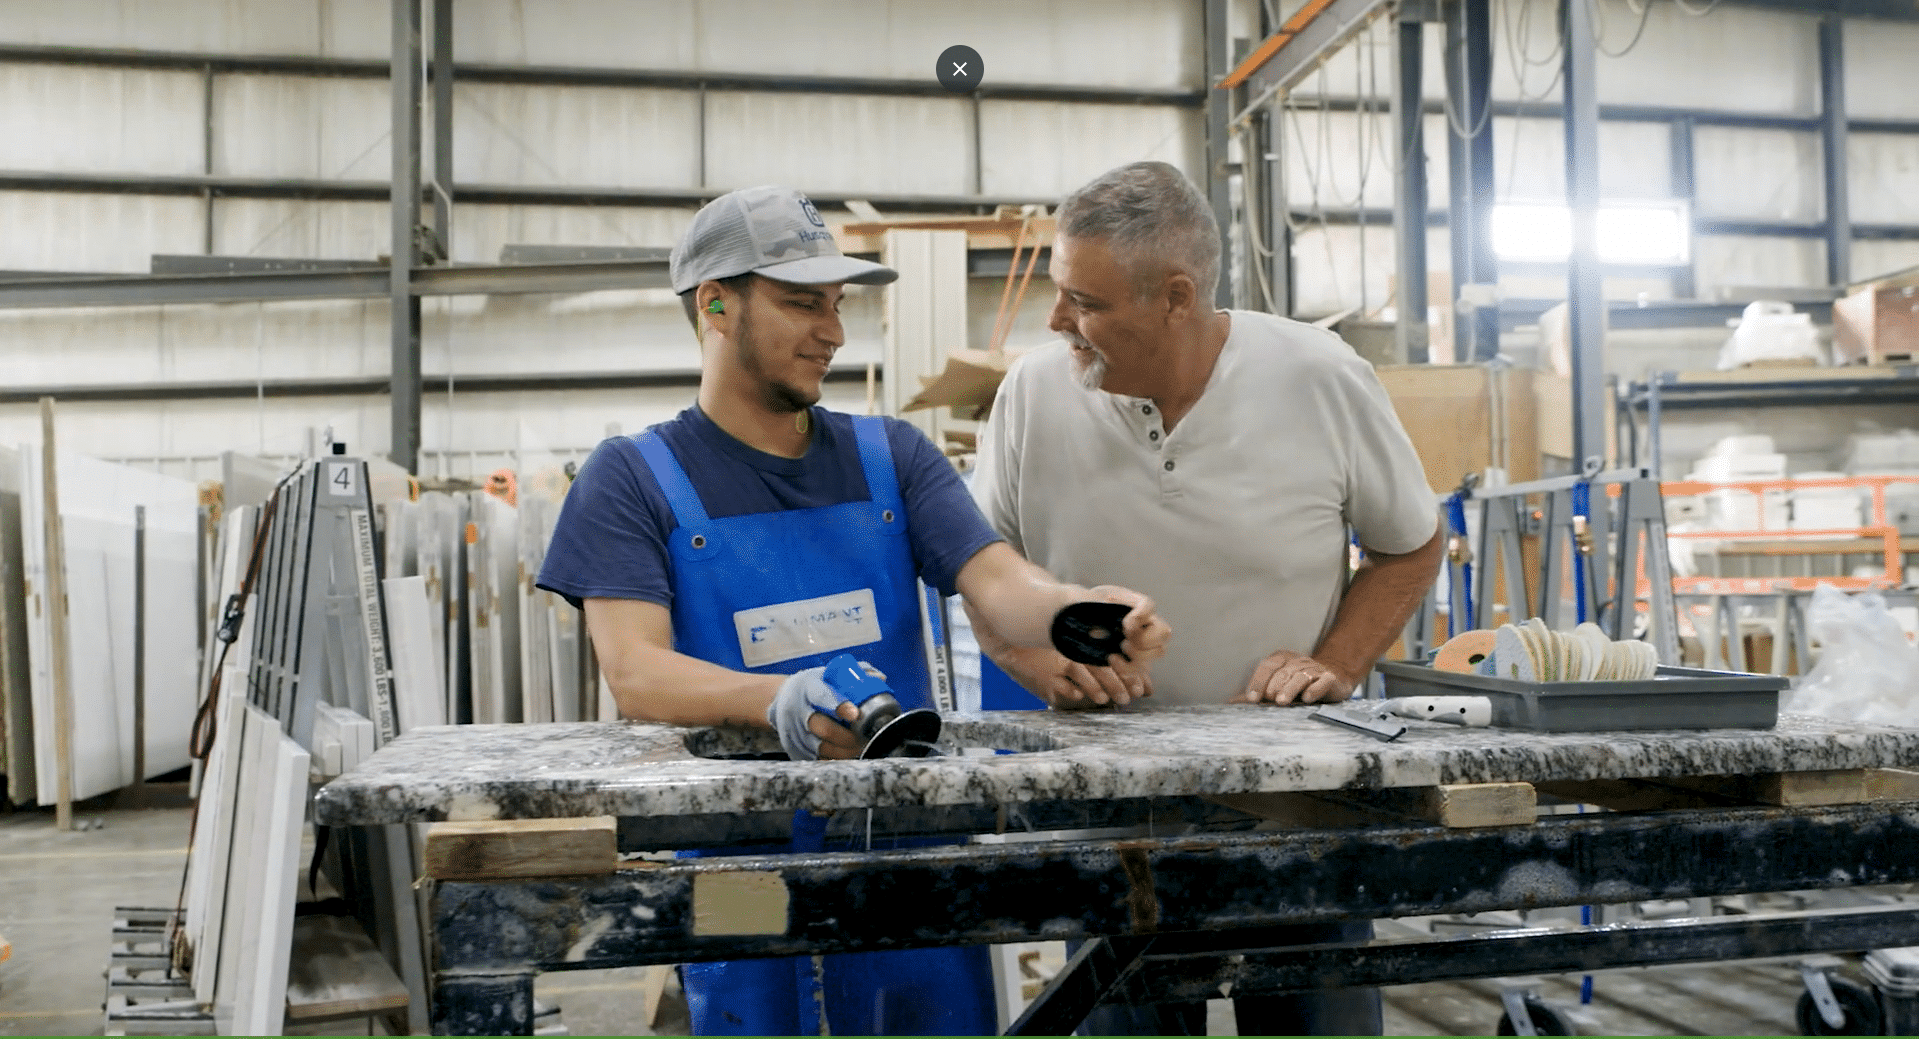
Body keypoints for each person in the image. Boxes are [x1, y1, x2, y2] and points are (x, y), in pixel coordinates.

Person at [535, 183, 1171, 1037]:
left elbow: (997, 583)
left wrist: (1075, 609)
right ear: (716, 304)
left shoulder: (893, 457)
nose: (832, 331)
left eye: (836, 305)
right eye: (803, 304)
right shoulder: (631, 478)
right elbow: (636, 670)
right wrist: (778, 702)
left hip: (907, 847)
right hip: (734, 869)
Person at [967, 161, 1445, 1036]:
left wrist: (1334, 663)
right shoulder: (1033, 395)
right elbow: (982, 565)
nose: (1056, 320)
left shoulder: (1319, 376)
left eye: (1084, 300)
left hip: (1298, 804)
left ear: (1176, 297)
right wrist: (1034, 660)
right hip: (1109, 811)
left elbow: (1409, 542)